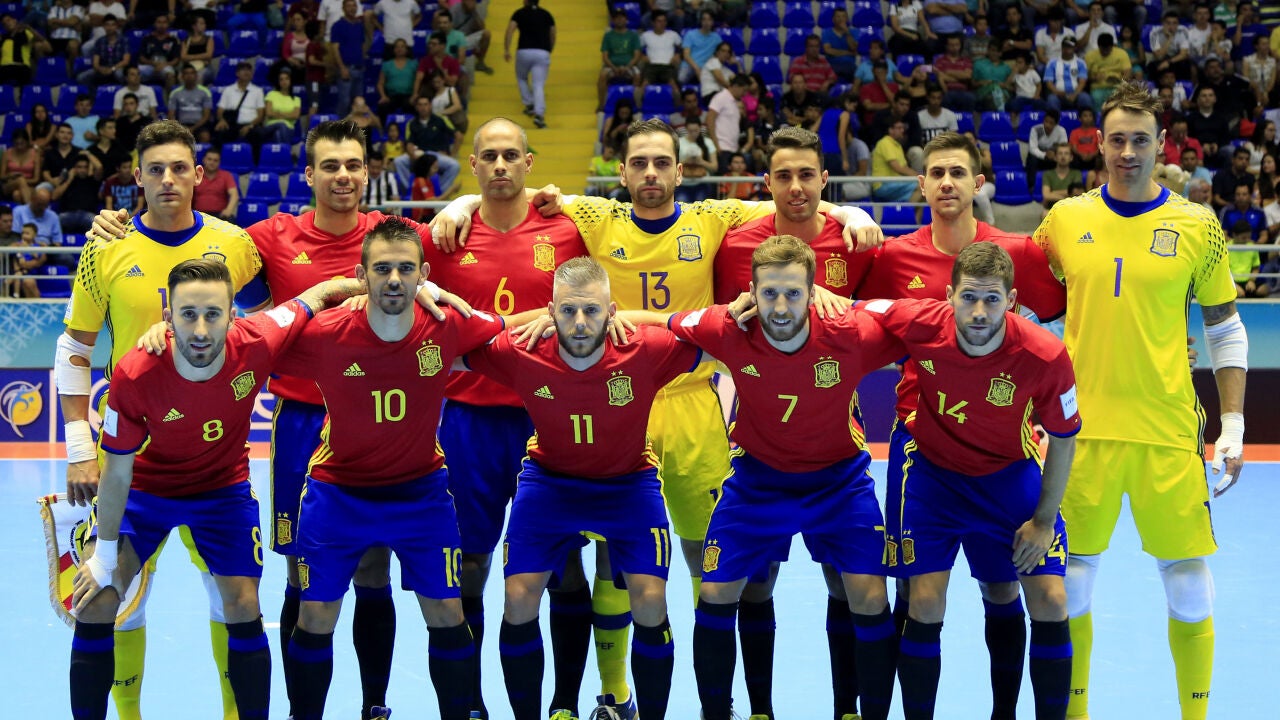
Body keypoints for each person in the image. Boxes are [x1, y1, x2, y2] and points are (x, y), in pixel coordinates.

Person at [432, 117, 882, 720]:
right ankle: (614, 696)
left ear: (681, 169)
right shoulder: (594, 217)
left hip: (692, 399)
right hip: (620, 398)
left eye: (661, 163)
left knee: (716, 565)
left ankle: (730, 705)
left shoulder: (714, 217)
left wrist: (850, 214)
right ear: (620, 172)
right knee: (616, 560)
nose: (650, 174)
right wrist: (460, 200)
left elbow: (792, 203)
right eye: (638, 163)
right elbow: (512, 192)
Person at [67, 259, 365, 720]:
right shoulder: (136, 372)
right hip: (147, 492)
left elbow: (317, 296)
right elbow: (117, 474)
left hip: (221, 492)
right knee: (97, 601)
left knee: (243, 603)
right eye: (188, 314)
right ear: (168, 316)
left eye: (213, 314)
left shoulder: (259, 339)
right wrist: (104, 558)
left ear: (233, 315)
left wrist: (385, 286)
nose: (201, 329)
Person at [1032, 81, 1246, 720]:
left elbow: (1225, 326)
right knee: (1071, 582)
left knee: (1186, 582)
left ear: (1162, 146)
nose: (1127, 151)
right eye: (1116, 139)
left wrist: (1232, 419)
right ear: (1099, 143)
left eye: (1140, 140)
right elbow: (1015, 305)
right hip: (1081, 433)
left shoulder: (1196, 224)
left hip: (1168, 429)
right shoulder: (1065, 221)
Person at [631, 235, 902, 720]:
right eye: (769, 293)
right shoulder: (727, 327)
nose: (780, 306)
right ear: (751, 293)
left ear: (813, 291)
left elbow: (931, 323)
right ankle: (740, 713)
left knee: (868, 592)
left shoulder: (851, 332)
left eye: (793, 293)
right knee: (715, 593)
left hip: (838, 482)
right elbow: (659, 321)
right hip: (757, 482)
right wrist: (586, 317)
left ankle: (853, 712)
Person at [854, 131, 1068, 720]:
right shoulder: (895, 257)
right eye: (935, 173)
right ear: (920, 184)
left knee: (1003, 589)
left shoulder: (1018, 253)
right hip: (922, 445)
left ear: (979, 183)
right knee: (919, 595)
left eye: (958, 173)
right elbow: (851, 315)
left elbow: (1064, 311)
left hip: (1004, 446)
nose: (946, 183)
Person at [58, 120, 267, 720]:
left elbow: (267, 316)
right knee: (116, 597)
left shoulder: (234, 244)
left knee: (231, 597)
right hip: (130, 463)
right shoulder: (105, 247)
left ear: (199, 175)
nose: (169, 180)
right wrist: (78, 447)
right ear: (138, 179)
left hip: (216, 462)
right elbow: (74, 351)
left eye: (180, 168)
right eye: (156, 170)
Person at [274, 218, 503, 720]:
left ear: (423, 273)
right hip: (338, 495)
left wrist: (568, 318)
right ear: (362, 275)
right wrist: (323, 292)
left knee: (448, 611)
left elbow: (519, 329)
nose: (394, 279)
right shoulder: (326, 333)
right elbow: (250, 340)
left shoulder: (448, 324)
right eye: (382, 269)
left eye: (405, 268)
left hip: (420, 495)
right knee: (314, 615)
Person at [460, 256, 691, 720]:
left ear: (612, 310)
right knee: (519, 595)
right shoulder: (522, 351)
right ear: (550, 311)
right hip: (551, 484)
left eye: (592, 310)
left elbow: (721, 336)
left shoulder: (645, 349)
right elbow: (447, 341)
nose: (580, 323)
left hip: (628, 484)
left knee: (650, 597)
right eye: (568, 311)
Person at [711, 126, 878, 720]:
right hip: (758, 438)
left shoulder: (854, 240)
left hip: (833, 437)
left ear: (824, 179)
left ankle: (848, 708)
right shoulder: (736, 245)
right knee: (757, 582)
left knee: (845, 579)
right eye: (783, 176)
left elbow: (889, 315)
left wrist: (851, 213)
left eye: (807, 175)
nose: (796, 187)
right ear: (767, 183)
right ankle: (759, 709)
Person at [505, 0, 555, 129]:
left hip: (524, 51)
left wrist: (507, 49)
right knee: (538, 84)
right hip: (542, 52)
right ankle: (539, 114)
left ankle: (529, 103)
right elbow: (553, 32)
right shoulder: (546, 14)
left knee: (521, 77)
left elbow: (510, 30)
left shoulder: (519, 13)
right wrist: (549, 49)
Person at [599, 9, 643, 111]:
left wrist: (627, 67)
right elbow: (605, 57)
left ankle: (635, 105)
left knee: (638, 75)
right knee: (602, 76)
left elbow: (637, 55)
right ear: (613, 20)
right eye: (617, 18)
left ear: (626, 19)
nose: (619, 20)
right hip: (612, 66)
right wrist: (614, 68)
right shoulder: (608, 36)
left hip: (629, 66)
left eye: (622, 17)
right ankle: (601, 105)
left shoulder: (633, 35)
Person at [192, 147, 239, 220]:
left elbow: (234, 195)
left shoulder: (226, 175)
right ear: (204, 160)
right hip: (198, 216)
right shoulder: (195, 175)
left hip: (220, 216)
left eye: (215, 160)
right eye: (209, 159)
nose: (212, 162)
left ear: (219, 162)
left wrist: (228, 210)